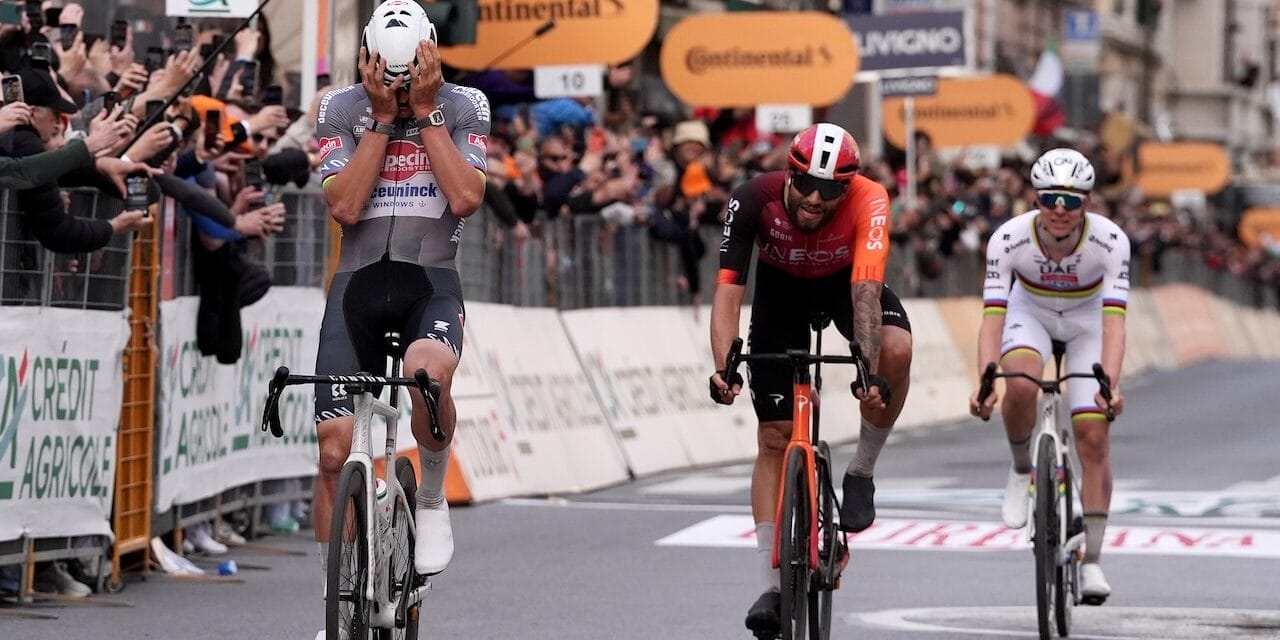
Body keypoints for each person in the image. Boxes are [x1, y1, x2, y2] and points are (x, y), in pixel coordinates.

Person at [310, 1, 488, 636]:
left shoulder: (465, 105)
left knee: (428, 376)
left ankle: (433, 494)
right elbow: (347, 208)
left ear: (430, 57)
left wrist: (427, 113)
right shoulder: (339, 108)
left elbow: (466, 197)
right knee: (333, 454)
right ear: (365, 57)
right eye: (385, 73)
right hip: (356, 289)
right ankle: (342, 594)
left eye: (407, 71)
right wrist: (383, 121)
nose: (394, 83)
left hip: (429, 286)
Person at [707, 122, 914, 636]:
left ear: (848, 187)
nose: (816, 200)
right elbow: (729, 291)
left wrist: (867, 370)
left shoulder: (870, 199)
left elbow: (866, 290)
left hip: (844, 286)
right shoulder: (752, 198)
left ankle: (862, 469)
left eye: (831, 189)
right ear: (788, 173)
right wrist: (723, 366)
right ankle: (772, 586)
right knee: (774, 437)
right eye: (806, 185)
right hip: (780, 292)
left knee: (897, 349)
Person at [969, 148, 1129, 604]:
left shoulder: (1111, 240)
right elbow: (992, 317)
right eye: (1050, 197)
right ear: (1035, 198)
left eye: (1072, 200)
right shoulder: (1007, 238)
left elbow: (1115, 322)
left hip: (1088, 321)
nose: (1060, 209)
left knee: (1093, 435)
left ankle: (1093, 560)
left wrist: (1110, 384)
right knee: (1019, 382)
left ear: (1089, 202)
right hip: (1031, 312)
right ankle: (1022, 470)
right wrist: (985, 381)